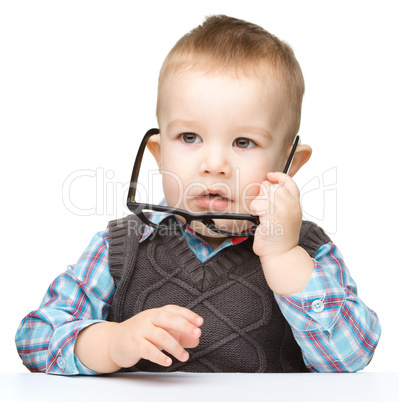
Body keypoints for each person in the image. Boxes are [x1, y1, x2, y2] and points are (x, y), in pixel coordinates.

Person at [15, 15, 381, 375]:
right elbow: (34, 338)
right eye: (189, 137)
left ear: (289, 164)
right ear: (159, 155)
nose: (214, 164)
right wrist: (110, 342)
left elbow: (351, 356)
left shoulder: (309, 250)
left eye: (243, 142)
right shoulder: (119, 247)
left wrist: (284, 256)